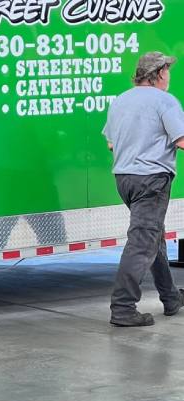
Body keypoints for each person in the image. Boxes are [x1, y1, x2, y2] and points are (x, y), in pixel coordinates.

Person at [104, 51, 184, 327]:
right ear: (160, 73)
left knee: (152, 238)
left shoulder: (120, 101)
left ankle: (171, 298)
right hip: (151, 180)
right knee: (142, 242)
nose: (169, 76)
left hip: (125, 179)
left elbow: (111, 144)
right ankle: (123, 307)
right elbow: (182, 139)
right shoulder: (165, 101)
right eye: (168, 71)